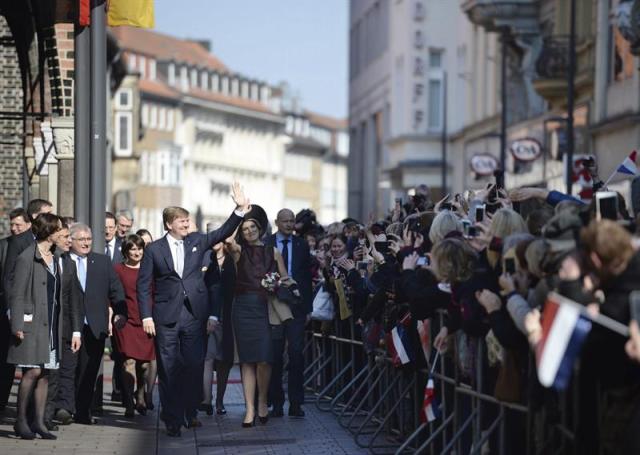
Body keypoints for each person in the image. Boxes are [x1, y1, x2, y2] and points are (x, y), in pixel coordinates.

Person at [137, 182, 249, 437]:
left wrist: (239, 209)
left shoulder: (198, 241)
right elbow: (144, 285)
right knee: (168, 368)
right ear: (168, 224)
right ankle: (172, 419)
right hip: (165, 316)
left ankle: (190, 410)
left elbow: (222, 232)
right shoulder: (154, 250)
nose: (187, 225)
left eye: (187, 221)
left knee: (193, 365)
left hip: (193, 315)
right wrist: (146, 315)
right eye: (181, 221)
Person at [8, 214, 80, 440]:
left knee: (46, 373)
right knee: (32, 371)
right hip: (32, 323)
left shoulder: (57, 257)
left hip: (52, 324)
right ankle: (21, 421)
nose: (63, 234)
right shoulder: (27, 257)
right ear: (50, 232)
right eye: (60, 230)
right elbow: (17, 294)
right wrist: (17, 324)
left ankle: (39, 422)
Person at [54, 223, 126, 425]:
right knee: (68, 367)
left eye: (89, 239)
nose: (86, 243)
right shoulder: (63, 260)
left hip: (94, 325)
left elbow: (116, 290)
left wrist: (120, 314)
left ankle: (83, 411)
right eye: (81, 239)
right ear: (71, 241)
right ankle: (64, 408)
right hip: (68, 324)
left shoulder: (102, 262)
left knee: (88, 370)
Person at [226, 217, 289, 427]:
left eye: (253, 227)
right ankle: (250, 408)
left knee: (264, 359)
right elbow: (227, 239)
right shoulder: (238, 251)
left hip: (265, 308)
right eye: (245, 229)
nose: (250, 231)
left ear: (260, 229)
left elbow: (286, 279)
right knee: (247, 360)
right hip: (243, 307)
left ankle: (262, 400)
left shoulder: (274, 252)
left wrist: (277, 283)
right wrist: (239, 211)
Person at [266, 209, 313, 418]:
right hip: (274, 304)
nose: (289, 224)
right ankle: (276, 402)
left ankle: (296, 403)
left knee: (296, 354)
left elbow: (306, 278)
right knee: (275, 355)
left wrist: (308, 308)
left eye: (292, 221)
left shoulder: (302, 245)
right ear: (277, 222)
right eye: (285, 221)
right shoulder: (267, 243)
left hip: (297, 306)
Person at [113, 235, 156, 417]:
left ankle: (141, 395)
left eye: (140, 248)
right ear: (126, 251)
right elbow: (112, 293)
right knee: (128, 362)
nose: (137, 252)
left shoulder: (150, 269)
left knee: (145, 365)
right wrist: (113, 313)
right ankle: (129, 402)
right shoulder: (118, 270)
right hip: (126, 320)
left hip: (147, 320)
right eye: (133, 249)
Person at [0, 208, 32, 412]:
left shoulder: (31, 245)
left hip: (23, 309)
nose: (14, 228)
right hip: (4, 309)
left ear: (28, 225)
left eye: (18, 225)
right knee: (4, 359)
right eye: (12, 224)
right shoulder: (4, 245)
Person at [200, 238, 236, 416]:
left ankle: (220, 400)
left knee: (224, 361)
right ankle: (207, 400)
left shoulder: (233, 259)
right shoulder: (205, 257)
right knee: (208, 357)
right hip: (207, 316)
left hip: (230, 316)